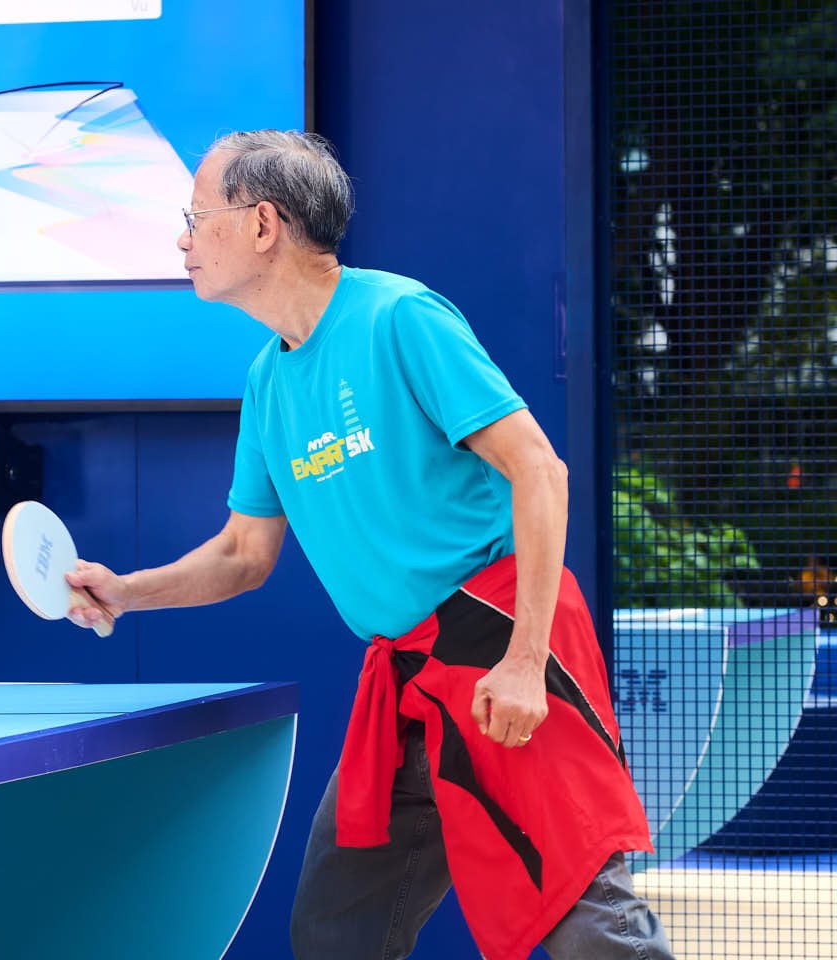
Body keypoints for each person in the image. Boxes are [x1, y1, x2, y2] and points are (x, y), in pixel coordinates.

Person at [64, 131, 674, 960]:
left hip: (499, 646)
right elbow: (244, 554)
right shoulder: (268, 380)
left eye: (195, 216)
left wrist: (527, 660)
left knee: (585, 925)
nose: (180, 238)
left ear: (263, 223)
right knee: (337, 930)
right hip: (405, 678)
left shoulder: (399, 317)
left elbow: (541, 471)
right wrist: (126, 591)